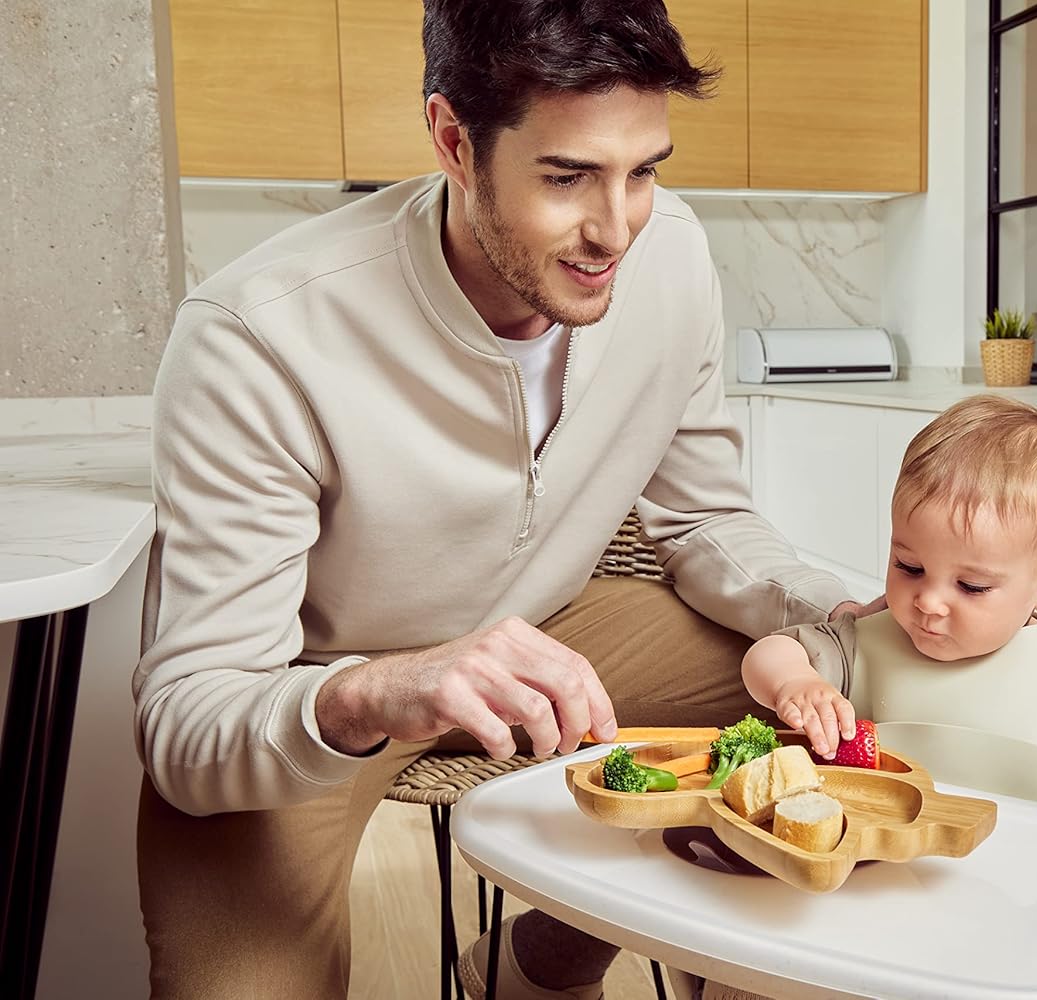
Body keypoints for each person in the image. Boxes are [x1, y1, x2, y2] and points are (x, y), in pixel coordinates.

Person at [133, 2, 870, 997]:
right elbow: (187, 722)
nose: (615, 229)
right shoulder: (256, 337)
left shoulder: (675, 257)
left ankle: (544, 961)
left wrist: (837, 611)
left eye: (644, 169)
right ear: (453, 141)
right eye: (567, 177)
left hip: (557, 629)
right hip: (315, 694)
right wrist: (370, 691)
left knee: (831, 710)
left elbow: (703, 522)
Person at [742, 394, 1037, 823]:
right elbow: (771, 653)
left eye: (971, 586)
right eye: (909, 567)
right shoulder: (865, 644)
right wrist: (795, 681)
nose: (929, 602)